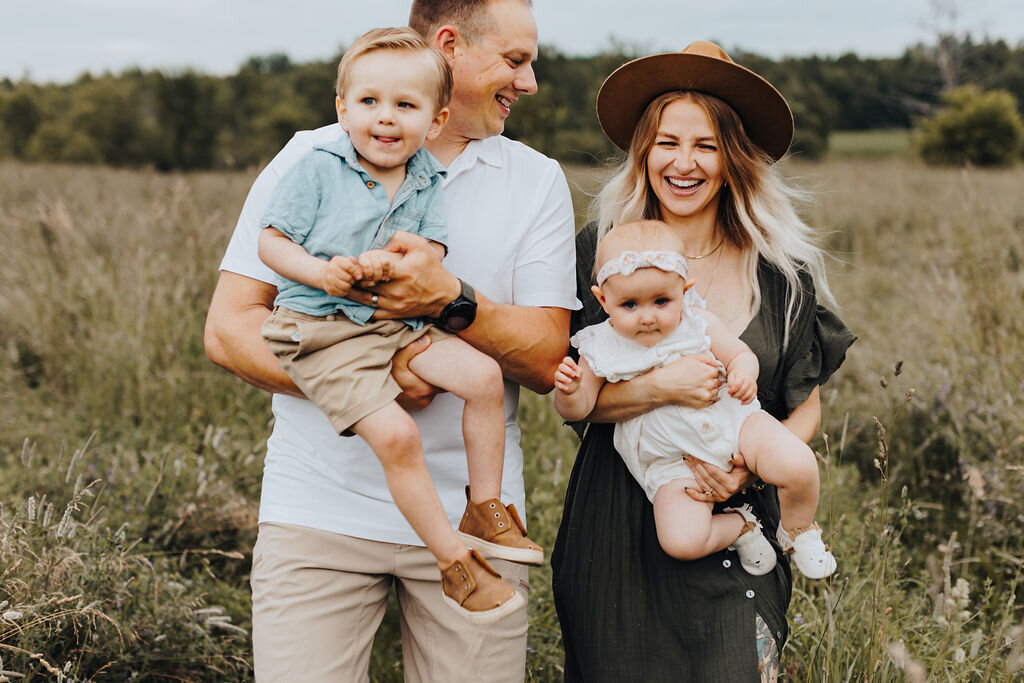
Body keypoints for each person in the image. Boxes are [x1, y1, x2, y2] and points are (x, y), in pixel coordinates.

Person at [204, 0, 577, 680]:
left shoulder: (534, 181)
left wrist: (451, 300)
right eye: (516, 61)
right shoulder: (308, 158)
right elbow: (229, 331)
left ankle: (486, 515)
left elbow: (550, 354)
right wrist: (373, 384)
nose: (528, 83)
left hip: (473, 531)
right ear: (449, 45)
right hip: (317, 514)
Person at [550, 41, 856, 681]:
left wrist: (743, 473)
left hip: (737, 521)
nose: (683, 163)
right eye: (666, 142)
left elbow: (805, 407)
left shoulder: (781, 272)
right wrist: (664, 387)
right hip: (620, 522)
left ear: (733, 160)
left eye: (706, 145)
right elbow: (575, 400)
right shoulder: (600, 255)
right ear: (643, 152)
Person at [258, 27, 541, 624]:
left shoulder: (424, 178)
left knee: (484, 377)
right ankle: (454, 561)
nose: (385, 120)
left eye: (405, 107)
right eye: (369, 103)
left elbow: (431, 248)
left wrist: (401, 259)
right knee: (397, 435)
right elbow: (271, 241)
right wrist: (319, 271)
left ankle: (485, 507)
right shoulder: (316, 167)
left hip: (388, 323)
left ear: (434, 121)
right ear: (342, 109)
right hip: (321, 328)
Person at [554, 219, 836, 579]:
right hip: (672, 461)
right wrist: (571, 390)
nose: (648, 316)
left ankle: (798, 531)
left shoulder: (698, 321)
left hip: (735, 424)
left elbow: (740, 354)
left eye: (661, 301)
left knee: (798, 464)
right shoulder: (599, 348)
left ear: (684, 291)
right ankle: (740, 527)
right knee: (681, 541)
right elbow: (583, 408)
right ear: (602, 298)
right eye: (629, 304)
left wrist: (743, 374)